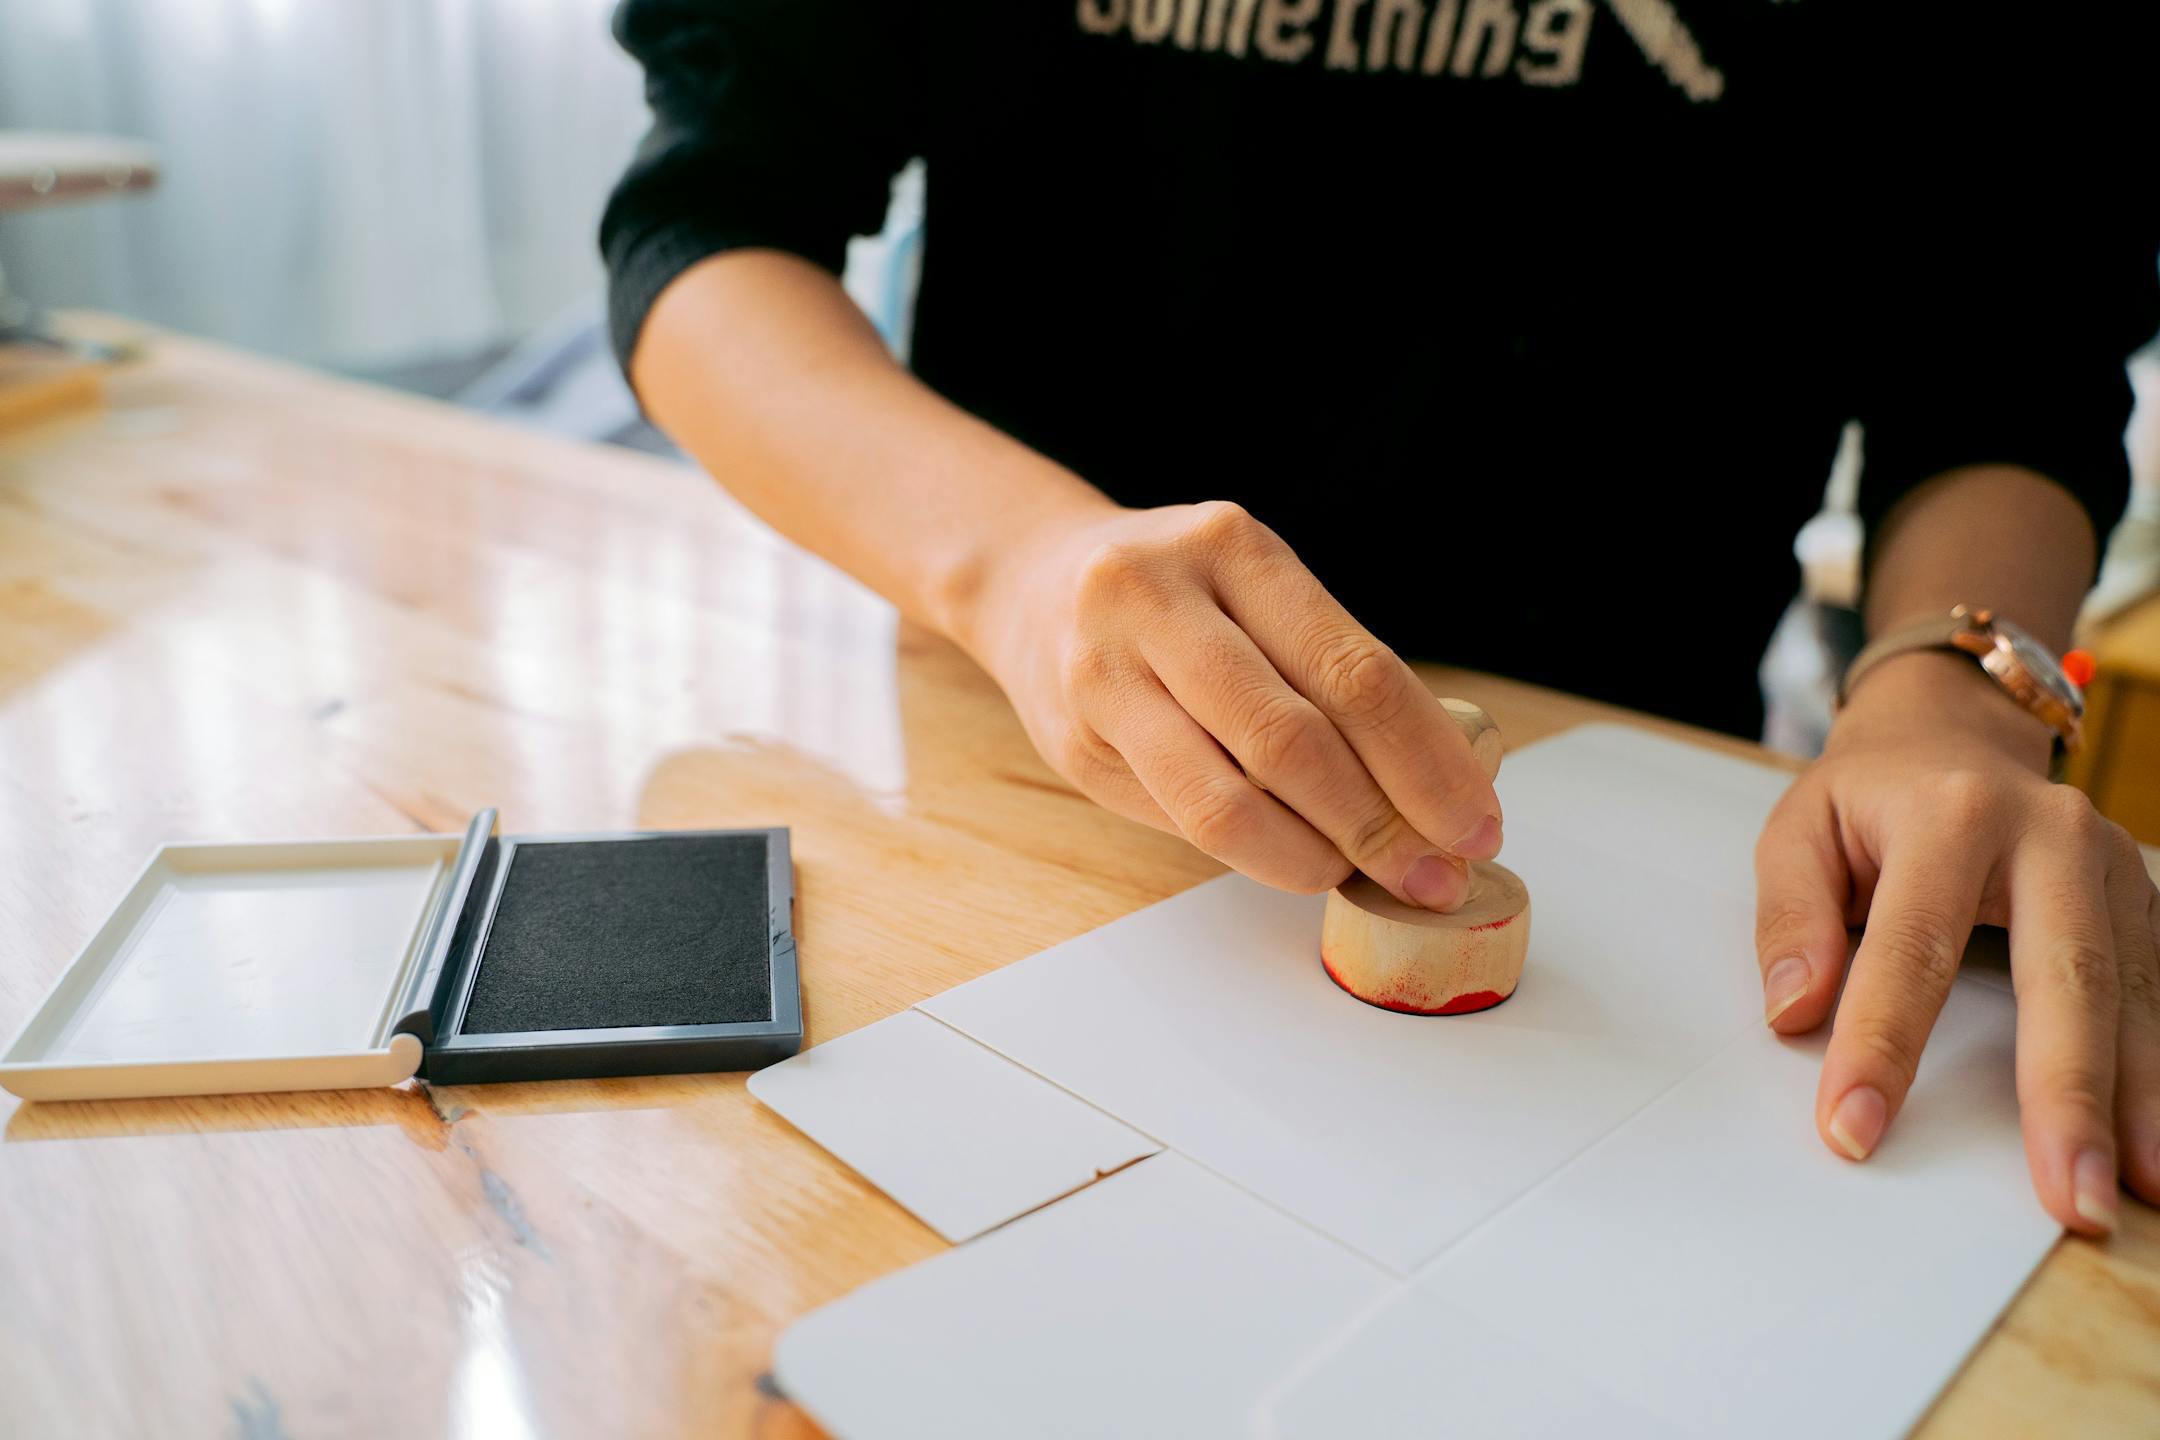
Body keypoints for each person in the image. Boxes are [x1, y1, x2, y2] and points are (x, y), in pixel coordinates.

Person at [600, 0, 2160, 1235]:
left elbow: (2015, 342)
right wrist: (1014, 564)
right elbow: (707, 225)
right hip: (1019, 792)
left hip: (1659, 876)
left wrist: (1950, 695)